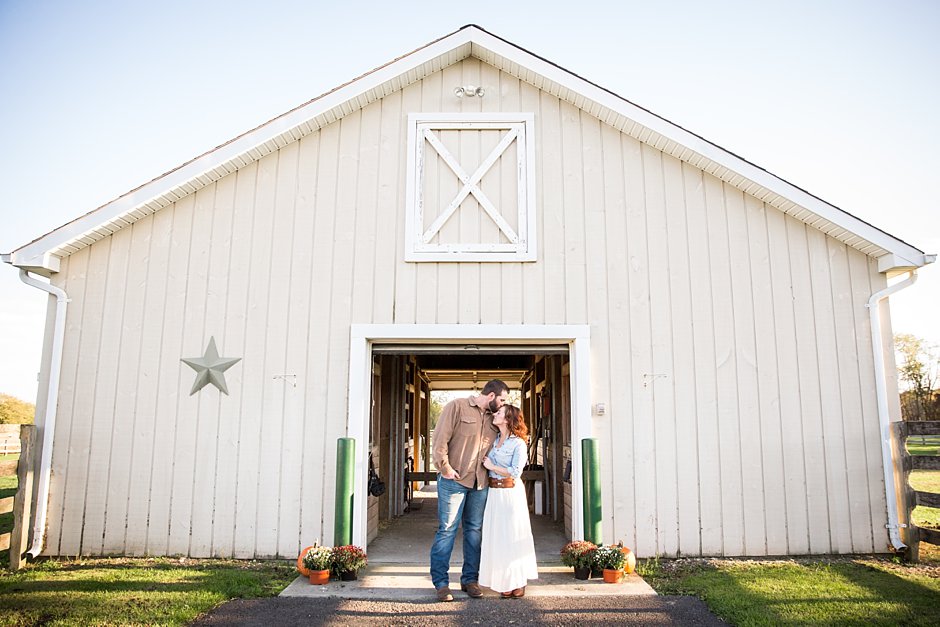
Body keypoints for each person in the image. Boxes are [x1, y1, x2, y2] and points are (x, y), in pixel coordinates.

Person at [429, 379, 509, 602]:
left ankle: (470, 580)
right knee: (447, 530)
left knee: (474, 531)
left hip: (480, 483)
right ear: (491, 396)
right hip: (453, 480)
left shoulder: (495, 418)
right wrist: (444, 467)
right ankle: (441, 584)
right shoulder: (456, 406)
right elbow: (440, 440)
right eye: (502, 399)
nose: (503, 404)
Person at [478, 404, 538, 598]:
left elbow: (516, 471)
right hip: (494, 493)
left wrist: (492, 465)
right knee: (498, 537)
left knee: (513, 536)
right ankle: (503, 580)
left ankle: (518, 581)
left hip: (511, 492)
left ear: (508, 419)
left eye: (499, 413)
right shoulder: (494, 439)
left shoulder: (518, 443)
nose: (495, 415)